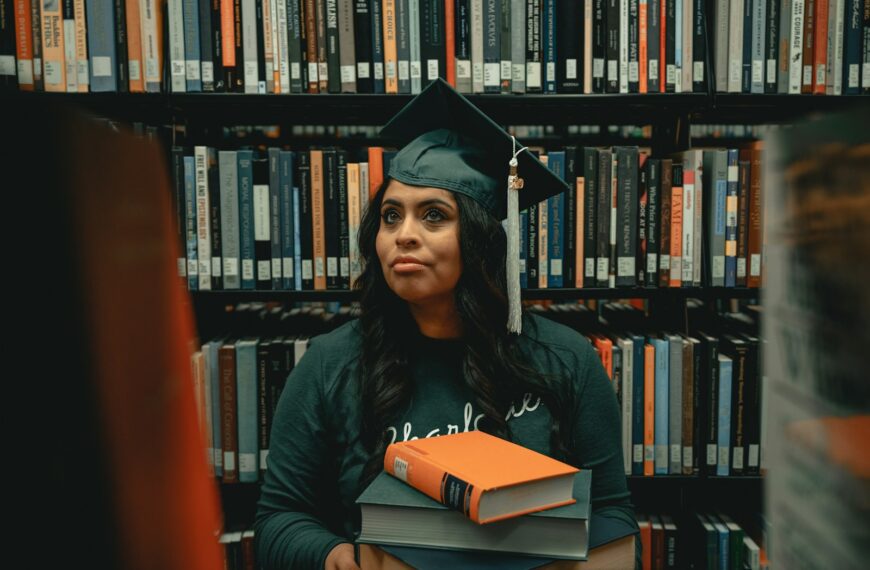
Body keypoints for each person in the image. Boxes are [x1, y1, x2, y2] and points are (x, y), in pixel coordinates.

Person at [254, 79, 640, 569]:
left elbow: (609, 512)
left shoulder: (565, 360)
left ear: (480, 240)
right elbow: (279, 517)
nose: (404, 235)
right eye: (391, 216)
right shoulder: (331, 364)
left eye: (433, 215)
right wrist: (336, 556)